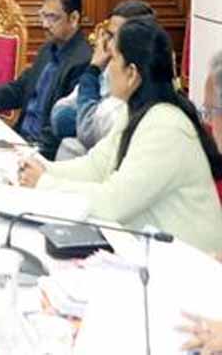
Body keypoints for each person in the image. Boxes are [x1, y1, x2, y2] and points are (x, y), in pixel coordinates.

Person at [18, 18, 222, 253]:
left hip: (194, 263)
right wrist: (43, 168)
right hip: (152, 252)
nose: (107, 69)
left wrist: (45, 183)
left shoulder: (166, 126)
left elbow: (114, 203)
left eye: (113, 58)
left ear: (132, 73)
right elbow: (97, 166)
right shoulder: (135, 111)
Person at [0, 0, 92, 159]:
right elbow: (21, 88)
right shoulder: (47, 49)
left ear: (74, 18)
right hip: (20, 140)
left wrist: (26, 154)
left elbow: (61, 126)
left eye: (53, 18)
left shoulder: (83, 61)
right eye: (43, 15)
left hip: (42, 153)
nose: (44, 24)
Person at [51, 0, 154, 160]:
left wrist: (92, 72)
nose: (109, 45)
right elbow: (59, 118)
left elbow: (87, 129)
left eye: (119, 38)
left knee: (72, 145)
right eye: (109, 35)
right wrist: (87, 120)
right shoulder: (107, 68)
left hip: (112, 167)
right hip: (89, 161)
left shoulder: (142, 78)